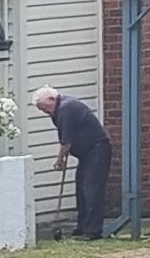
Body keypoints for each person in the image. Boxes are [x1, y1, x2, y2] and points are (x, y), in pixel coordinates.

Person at [34, 86, 113, 238]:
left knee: (91, 189)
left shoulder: (66, 108)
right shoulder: (57, 110)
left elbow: (67, 140)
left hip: (97, 150)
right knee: (81, 189)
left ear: (52, 99)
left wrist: (60, 159)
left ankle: (93, 231)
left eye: (44, 107)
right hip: (87, 154)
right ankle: (82, 227)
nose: (44, 111)